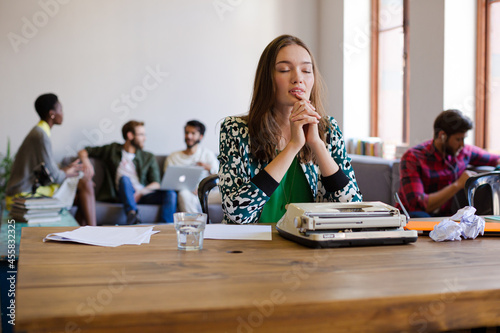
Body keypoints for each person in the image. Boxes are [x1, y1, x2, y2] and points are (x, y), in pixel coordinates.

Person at [218, 34, 362, 224]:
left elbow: (353, 210)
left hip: (310, 246)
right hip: (252, 248)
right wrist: (293, 145)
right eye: (285, 70)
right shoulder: (236, 129)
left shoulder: (329, 130)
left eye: (306, 70)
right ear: (267, 78)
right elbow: (237, 214)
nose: (298, 78)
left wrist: (317, 144)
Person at [6, 93, 96, 226]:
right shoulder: (41, 136)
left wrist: (66, 170)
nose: (63, 113)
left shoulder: (40, 132)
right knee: (85, 184)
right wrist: (68, 172)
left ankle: (85, 233)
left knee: (83, 194)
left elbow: (47, 171)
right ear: (52, 114)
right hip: (24, 193)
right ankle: (93, 230)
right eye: (61, 109)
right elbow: (54, 177)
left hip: (29, 189)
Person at [397, 109, 500, 217]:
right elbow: (418, 204)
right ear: (442, 136)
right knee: (421, 216)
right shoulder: (413, 158)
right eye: (458, 139)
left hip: (444, 215)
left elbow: (495, 159)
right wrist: (457, 185)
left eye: (463, 139)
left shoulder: (464, 152)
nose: (462, 145)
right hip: (412, 215)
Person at [78, 120, 177, 224]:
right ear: (130, 135)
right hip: (122, 194)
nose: (145, 138)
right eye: (141, 135)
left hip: (143, 194)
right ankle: (133, 216)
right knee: (125, 179)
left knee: (170, 194)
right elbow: (84, 151)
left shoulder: (148, 157)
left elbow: (156, 183)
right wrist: (86, 162)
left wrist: (140, 192)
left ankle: (166, 226)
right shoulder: (112, 149)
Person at [164, 120, 218, 212]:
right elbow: (168, 181)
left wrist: (209, 168)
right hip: (188, 193)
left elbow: (220, 176)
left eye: (193, 133)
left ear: (200, 137)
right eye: (187, 133)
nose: (189, 136)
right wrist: (189, 189)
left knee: (229, 195)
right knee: (183, 194)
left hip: (208, 194)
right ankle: (195, 224)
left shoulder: (207, 154)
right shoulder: (173, 157)